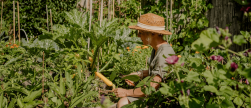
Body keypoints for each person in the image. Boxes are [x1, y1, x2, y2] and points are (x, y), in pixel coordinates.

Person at [114, 13, 175, 108]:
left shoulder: (164, 53)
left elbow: (151, 87)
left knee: (123, 103)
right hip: (155, 96)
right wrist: (138, 74)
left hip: (160, 99)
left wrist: (126, 92)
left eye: (141, 32)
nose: (138, 36)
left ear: (153, 33)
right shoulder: (157, 48)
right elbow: (157, 72)